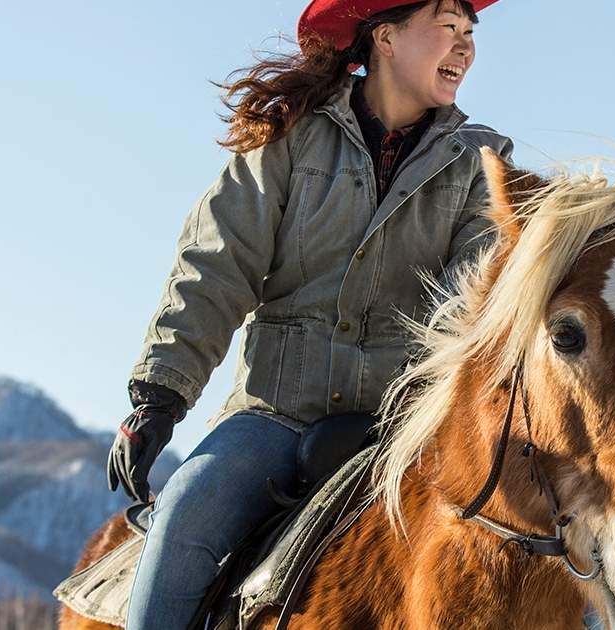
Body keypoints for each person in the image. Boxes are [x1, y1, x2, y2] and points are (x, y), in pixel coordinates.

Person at [105, 1, 510, 627]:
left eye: (469, 34)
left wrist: (402, 412)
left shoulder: (482, 165)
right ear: (386, 38)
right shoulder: (292, 135)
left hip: (399, 434)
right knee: (186, 514)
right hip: (274, 414)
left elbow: (467, 310)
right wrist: (160, 394)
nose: (464, 48)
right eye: (447, 30)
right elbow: (217, 264)